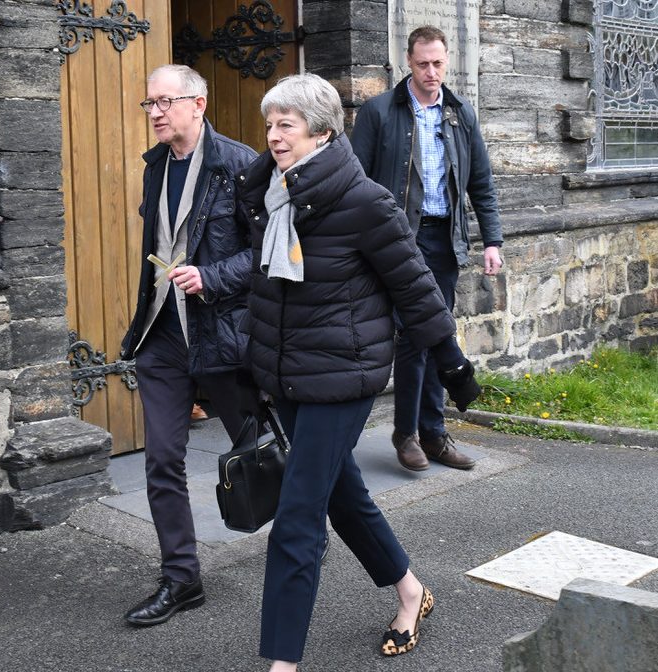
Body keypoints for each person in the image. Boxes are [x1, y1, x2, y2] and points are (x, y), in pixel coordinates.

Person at [237, 73, 481, 669]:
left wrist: (453, 366)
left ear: (321, 132)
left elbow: (417, 290)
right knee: (342, 496)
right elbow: (267, 290)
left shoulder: (365, 202)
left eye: (286, 125)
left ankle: (281, 664)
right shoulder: (272, 196)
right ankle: (410, 590)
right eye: (269, 124)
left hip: (344, 378)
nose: (273, 136)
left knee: (298, 517)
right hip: (289, 376)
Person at [120, 64, 260, 627]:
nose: (154, 112)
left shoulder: (241, 165)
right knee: (161, 460)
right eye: (148, 103)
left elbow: (270, 253)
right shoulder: (155, 167)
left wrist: (213, 277)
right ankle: (182, 579)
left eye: (165, 102)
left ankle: (303, 538)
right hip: (163, 335)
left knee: (260, 453)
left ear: (197, 105)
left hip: (222, 335)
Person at [351, 25, 503, 472]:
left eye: (438, 63)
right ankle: (413, 433)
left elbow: (481, 183)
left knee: (437, 334)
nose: (432, 72)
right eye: (423, 64)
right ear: (408, 63)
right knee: (411, 337)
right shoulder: (380, 112)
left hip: (443, 241)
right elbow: (356, 180)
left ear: (447, 60)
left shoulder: (460, 113)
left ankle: (429, 434)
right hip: (398, 242)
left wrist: (492, 239)